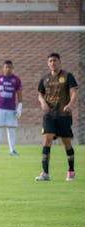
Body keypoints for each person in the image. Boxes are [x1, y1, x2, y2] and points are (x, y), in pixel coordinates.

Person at [35, 52, 79, 181]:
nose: (53, 63)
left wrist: (70, 104)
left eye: (55, 60)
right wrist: (43, 102)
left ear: (60, 62)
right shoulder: (44, 79)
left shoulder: (67, 76)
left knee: (66, 143)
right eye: (50, 61)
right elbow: (40, 94)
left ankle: (71, 171)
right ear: (47, 63)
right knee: (47, 140)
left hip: (63, 115)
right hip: (49, 115)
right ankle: (45, 173)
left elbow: (74, 92)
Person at [0, 60, 23, 156]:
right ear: (3, 68)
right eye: (6, 67)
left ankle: (12, 150)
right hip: (0, 108)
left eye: (10, 67)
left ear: (13, 68)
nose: (8, 69)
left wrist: (19, 108)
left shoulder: (16, 80)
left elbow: (19, 95)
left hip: (11, 109)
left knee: (11, 130)